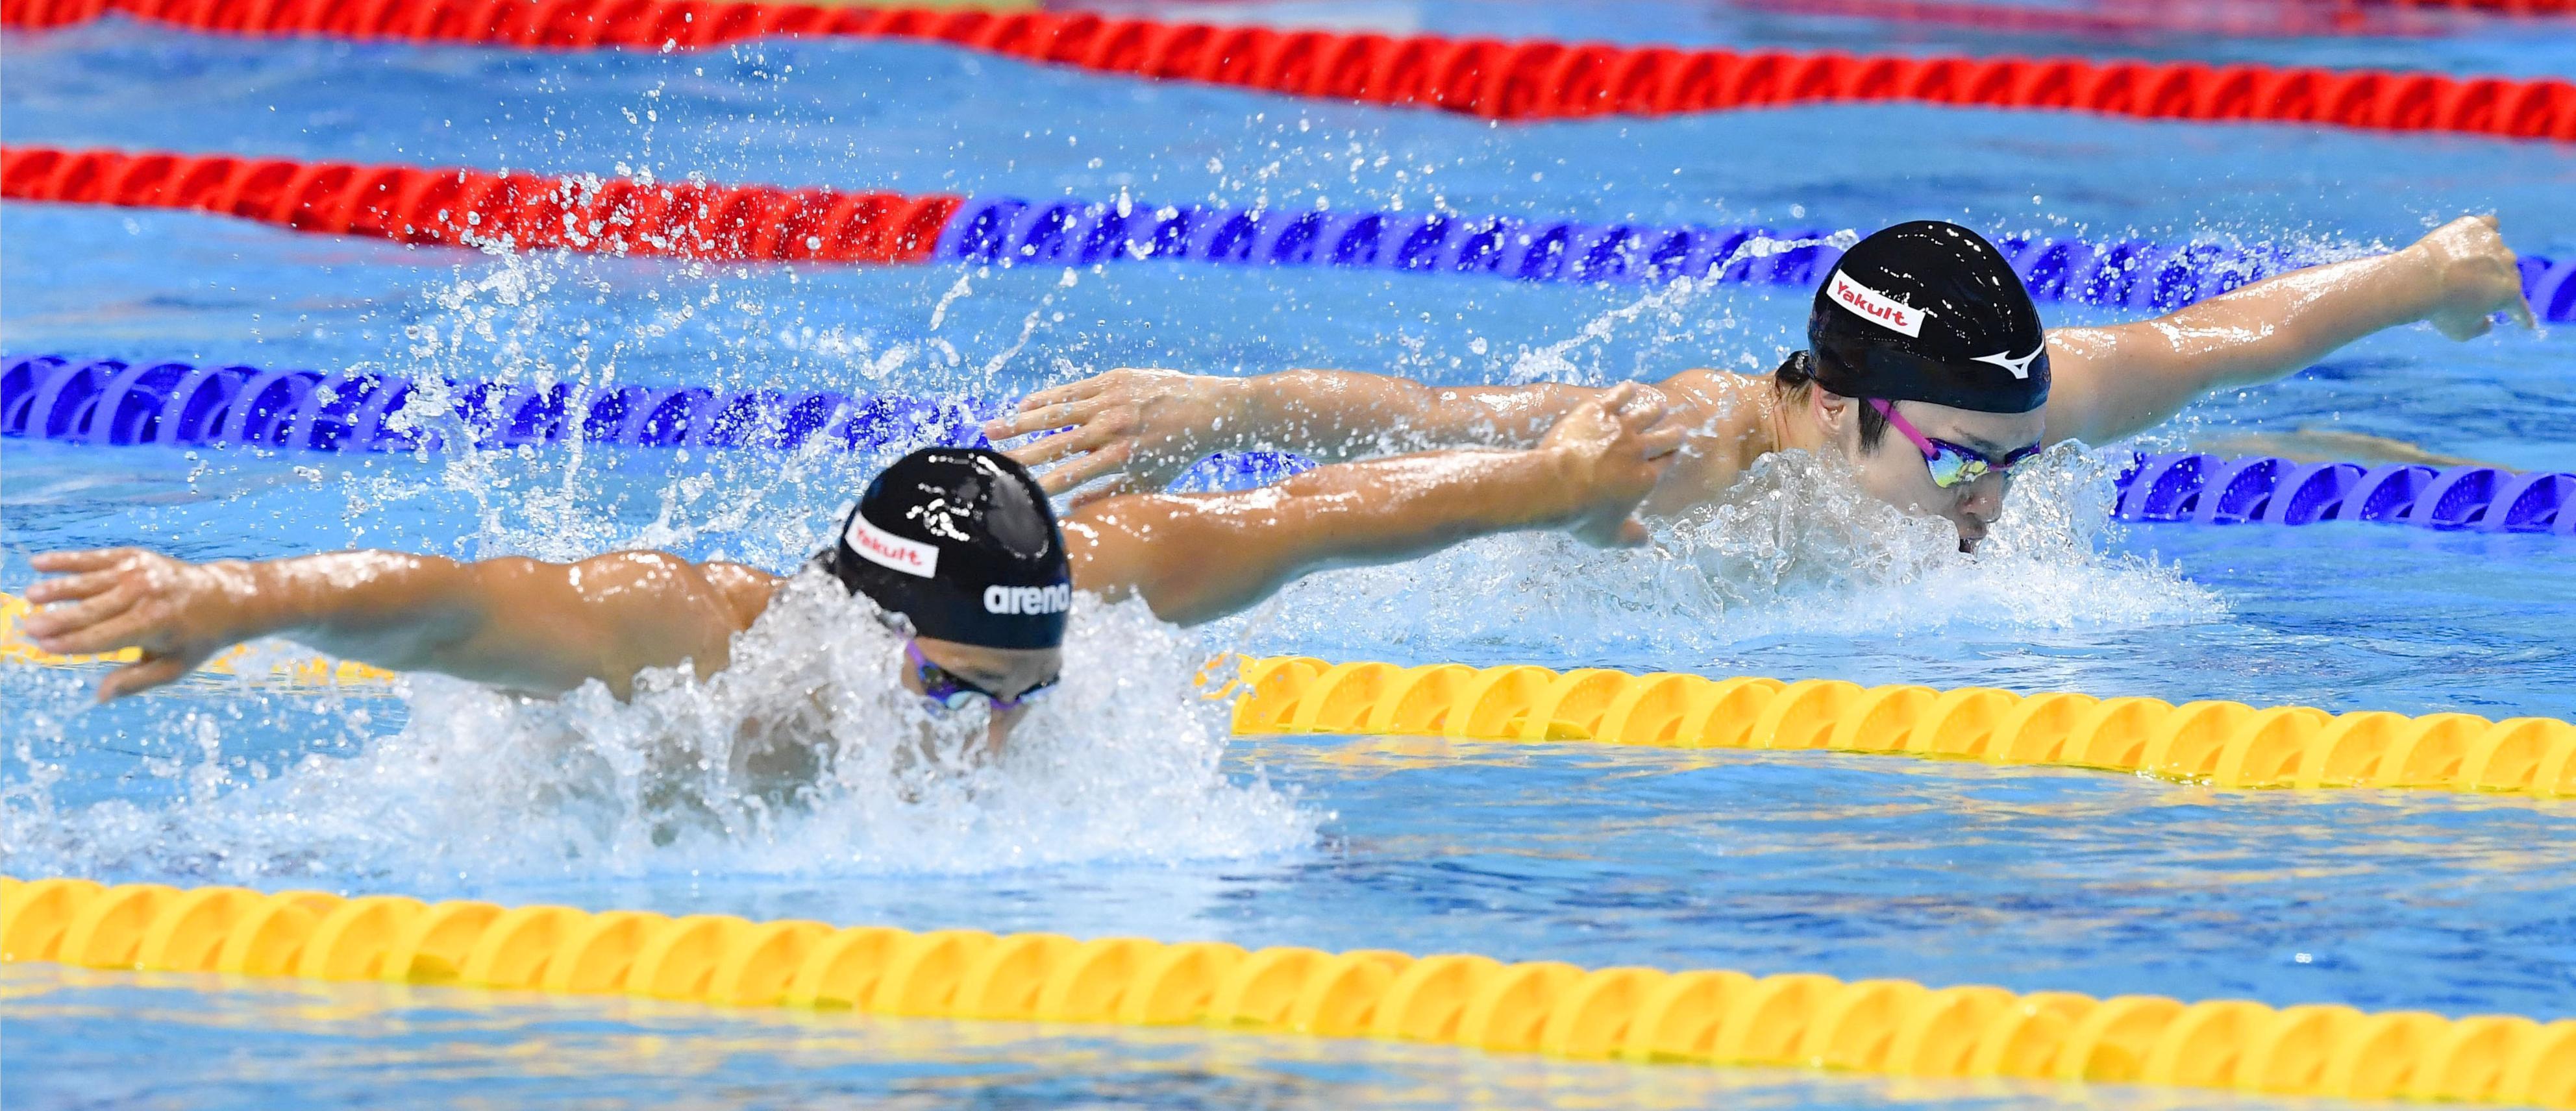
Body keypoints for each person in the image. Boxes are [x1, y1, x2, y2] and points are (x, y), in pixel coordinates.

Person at [18, 384, 1678, 752]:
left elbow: (1319, 515)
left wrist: (1551, 476)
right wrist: (233, 600)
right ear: (868, 626)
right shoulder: (699, 641)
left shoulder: (1079, 591)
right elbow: (452, 598)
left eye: (1027, 695)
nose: (998, 737)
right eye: (960, 690)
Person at [983, 215, 2536, 550]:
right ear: (1841, 407)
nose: (1990, 496)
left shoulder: (1996, 411)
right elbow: (1436, 431)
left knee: (2331, 432)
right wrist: (1230, 411)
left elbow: (2230, 338)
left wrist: (2432, 274)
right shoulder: (1714, 442)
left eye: (2014, 455)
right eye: (1953, 467)